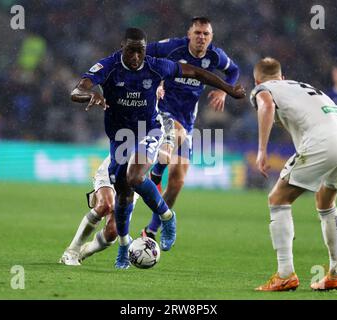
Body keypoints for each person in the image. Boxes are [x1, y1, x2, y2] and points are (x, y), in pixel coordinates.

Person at [70, 28, 245, 269]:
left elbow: (196, 72)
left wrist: (228, 88)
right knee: (123, 194)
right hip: (120, 139)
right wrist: (89, 95)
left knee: (135, 176)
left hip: (149, 130)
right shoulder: (108, 66)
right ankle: (123, 245)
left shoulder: (155, 66)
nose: (136, 56)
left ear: (145, 50)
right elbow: (77, 89)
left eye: (140, 51)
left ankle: (167, 217)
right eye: (131, 50)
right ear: (122, 47)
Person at [250, 57, 337, 291]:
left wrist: (262, 150)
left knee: (278, 198)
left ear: (257, 79)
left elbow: (266, 105)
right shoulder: (307, 89)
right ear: (283, 76)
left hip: (325, 141)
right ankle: (336, 272)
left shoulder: (263, 89)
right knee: (326, 201)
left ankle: (285, 273)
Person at [141, 17, 240, 250]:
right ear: (189, 35)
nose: (201, 37)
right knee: (174, 137)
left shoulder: (214, 56)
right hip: (161, 112)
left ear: (211, 37)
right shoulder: (171, 47)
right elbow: (142, 54)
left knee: (177, 181)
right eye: (197, 33)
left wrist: (224, 92)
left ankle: (152, 229)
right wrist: (155, 81)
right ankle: (156, 175)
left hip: (187, 121)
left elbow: (233, 71)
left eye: (206, 34)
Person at [59, 156, 137, 266]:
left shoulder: (157, 141)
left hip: (134, 177)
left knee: (113, 232)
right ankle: (72, 251)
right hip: (112, 167)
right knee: (105, 205)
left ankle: (85, 251)